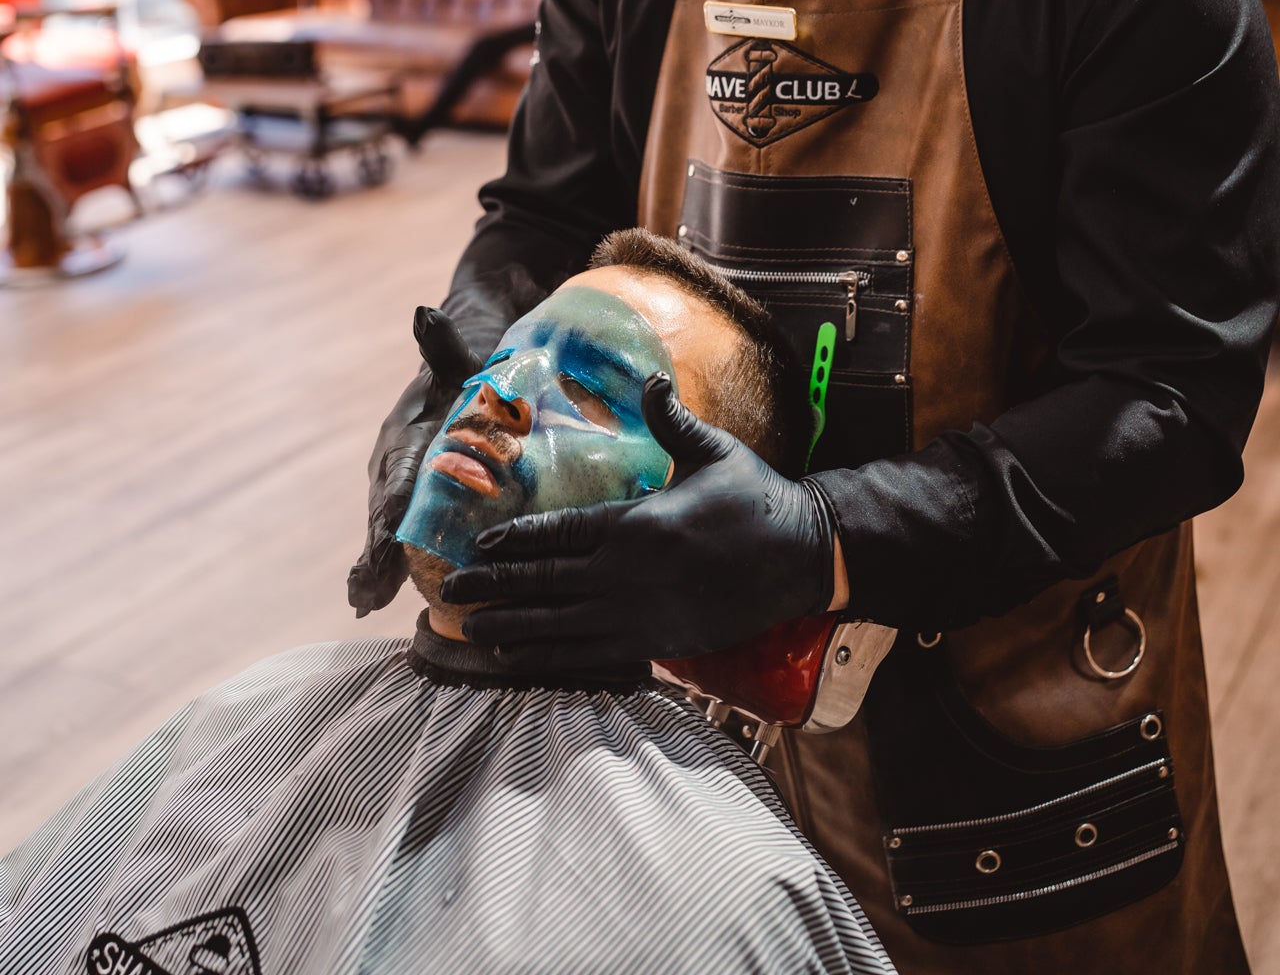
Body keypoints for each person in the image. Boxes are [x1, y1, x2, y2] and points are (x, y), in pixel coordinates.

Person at [350, 0, 1280, 972]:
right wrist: (452, 380)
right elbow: (543, 219)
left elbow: (1168, 399)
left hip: (1017, 775)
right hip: (675, 753)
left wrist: (822, 542)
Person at [0, 234, 894, 975]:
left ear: (703, 510)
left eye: (585, 390)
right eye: (503, 357)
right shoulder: (243, 719)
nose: (495, 393)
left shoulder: (722, 896)